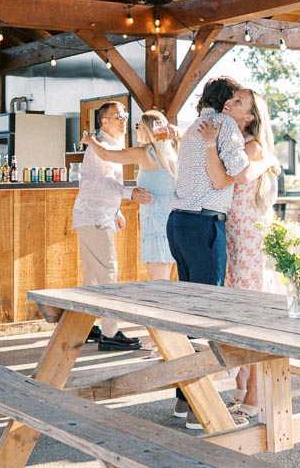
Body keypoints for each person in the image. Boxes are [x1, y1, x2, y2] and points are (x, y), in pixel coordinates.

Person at [166, 77, 254, 428]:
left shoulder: (194, 127)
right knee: (205, 316)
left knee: (189, 316)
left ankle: (182, 399)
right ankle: (197, 412)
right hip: (204, 224)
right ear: (225, 100)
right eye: (233, 97)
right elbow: (238, 172)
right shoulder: (225, 124)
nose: (235, 103)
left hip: (179, 223)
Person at [201, 91, 281, 416]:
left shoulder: (253, 146)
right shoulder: (231, 140)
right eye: (231, 99)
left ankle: (255, 395)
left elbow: (243, 174)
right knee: (237, 311)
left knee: (249, 315)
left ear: (250, 117)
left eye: (238, 103)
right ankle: (243, 384)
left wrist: (269, 161)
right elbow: (218, 179)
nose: (229, 103)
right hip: (231, 233)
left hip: (247, 236)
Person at [73, 100, 153, 352]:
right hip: (94, 218)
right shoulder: (102, 146)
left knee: (93, 278)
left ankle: (84, 326)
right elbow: (104, 182)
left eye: (125, 115)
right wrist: (130, 194)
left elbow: (99, 183)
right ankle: (109, 334)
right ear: (104, 122)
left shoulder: (110, 145)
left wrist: (116, 210)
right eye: (118, 116)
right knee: (108, 274)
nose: (124, 119)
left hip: (95, 216)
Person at [82, 109, 178, 283]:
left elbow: (106, 155)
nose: (136, 130)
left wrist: (91, 140)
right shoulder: (171, 155)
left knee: (158, 283)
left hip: (155, 226)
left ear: (147, 129)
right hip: (170, 223)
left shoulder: (144, 153)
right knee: (164, 280)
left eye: (138, 126)